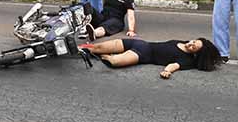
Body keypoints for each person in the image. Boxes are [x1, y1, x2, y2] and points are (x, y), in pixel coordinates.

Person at [80, 38, 221, 78]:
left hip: (144, 55)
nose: (190, 44)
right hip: (140, 43)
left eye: (194, 47)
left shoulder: (187, 60)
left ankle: (96, 56)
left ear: (196, 54)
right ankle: (80, 49)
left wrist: (167, 71)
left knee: (115, 61)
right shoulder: (184, 42)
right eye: (193, 42)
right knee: (96, 47)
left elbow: (174, 65)